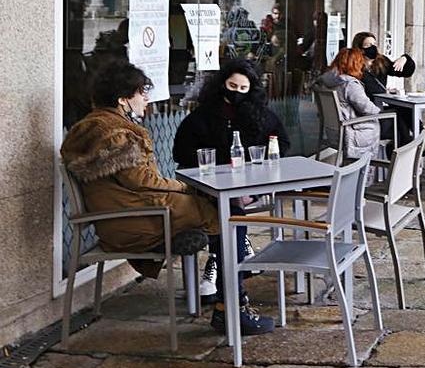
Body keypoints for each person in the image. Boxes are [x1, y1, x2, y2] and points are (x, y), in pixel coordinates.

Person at [60, 62, 272, 335]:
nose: (147, 98)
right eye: (141, 92)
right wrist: (185, 189)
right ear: (123, 99)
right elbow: (143, 181)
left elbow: (135, 185)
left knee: (222, 213)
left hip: (122, 218)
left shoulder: (92, 127)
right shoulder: (117, 134)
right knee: (227, 214)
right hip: (135, 222)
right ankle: (232, 308)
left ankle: (226, 299)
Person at [173, 59, 289, 335]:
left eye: (243, 87)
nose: (237, 91)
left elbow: (281, 143)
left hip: (246, 189)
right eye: (232, 85)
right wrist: (211, 165)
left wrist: (257, 179)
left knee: (233, 217)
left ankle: (228, 302)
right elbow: (182, 152)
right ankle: (231, 303)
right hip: (208, 190)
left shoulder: (260, 113)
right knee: (232, 219)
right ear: (222, 84)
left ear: (252, 89)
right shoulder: (204, 115)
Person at [314, 48, 382, 161]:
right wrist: (379, 109)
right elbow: (367, 109)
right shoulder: (349, 84)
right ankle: (394, 164)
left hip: (332, 132)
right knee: (395, 120)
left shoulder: (325, 82)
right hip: (350, 133)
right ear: (355, 64)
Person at [352, 31, 417, 144]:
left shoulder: (381, 61)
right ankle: (415, 143)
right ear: (359, 49)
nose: (373, 48)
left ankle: (411, 143)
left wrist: (404, 58)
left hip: (379, 109)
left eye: (374, 44)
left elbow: (405, 72)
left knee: (404, 109)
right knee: (400, 113)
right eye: (368, 45)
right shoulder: (354, 68)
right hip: (367, 113)